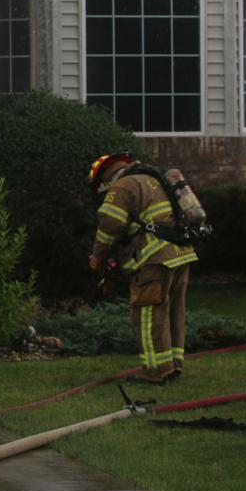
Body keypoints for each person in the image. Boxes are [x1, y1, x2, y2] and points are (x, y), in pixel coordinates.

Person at [87, 154, 198, 384]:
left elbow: (110, 225)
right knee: (173, 310)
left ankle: (155, 371)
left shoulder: (123, 186)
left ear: (105, 179)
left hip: (155, 258)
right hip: (181, 253)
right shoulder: (154, 178)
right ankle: (173, 364)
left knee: (148, 314)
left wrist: (98, 256)